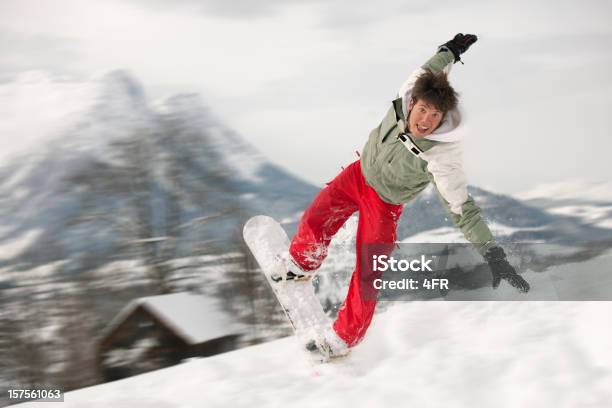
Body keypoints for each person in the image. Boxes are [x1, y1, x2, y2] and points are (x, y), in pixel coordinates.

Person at [282, 34, 530, 358]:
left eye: (435, 116)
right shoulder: (408, 91)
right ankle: (303, 262)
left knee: (370, 271)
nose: (426, 120)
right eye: (423, 110)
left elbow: (461, 208)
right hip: (359, 174)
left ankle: (344, 337)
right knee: (317, 216)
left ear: (443, 120)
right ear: (413, 102)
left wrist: (494, 254)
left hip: (384, 205)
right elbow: (433, 66)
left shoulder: (443, 155)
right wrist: (451, 50)